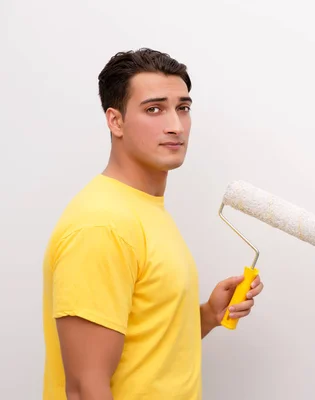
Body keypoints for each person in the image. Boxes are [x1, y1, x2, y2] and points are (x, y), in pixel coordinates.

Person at [42, 48, 264, 399]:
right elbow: (86, 388)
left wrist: (207, 314)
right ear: (115, 121)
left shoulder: (143, 209)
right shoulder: (102, 224)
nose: (175, 126)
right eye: (154, 109)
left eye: (183, 108)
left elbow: (146, 344)